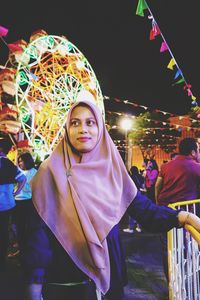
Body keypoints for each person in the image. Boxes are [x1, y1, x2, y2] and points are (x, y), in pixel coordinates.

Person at [21, 93, 200, 300]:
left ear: (100, 129)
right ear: (67, 130)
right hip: (66, 282)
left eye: (90, 122)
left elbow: (144, 210)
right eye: (75, 123)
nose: (83, 129)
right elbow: (38, 234)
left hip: (110, 278)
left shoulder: (113, 171)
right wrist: (34, 286)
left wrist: (182, 217)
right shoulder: (49, 172)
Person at [155, 137, 200, 280]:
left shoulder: (166, 166)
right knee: (186, 249)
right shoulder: (196, 167)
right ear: (193, 152)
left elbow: (157, 186)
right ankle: (184, 280)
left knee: (167, 249)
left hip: (164, 213)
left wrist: (159, 204)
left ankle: (171, 282)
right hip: (185, 216)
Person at [0, 137, 26, 271]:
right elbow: (23, 179)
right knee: (4, 229)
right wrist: (15, 193)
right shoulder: (11, 165)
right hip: (8, 204)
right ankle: (2, 257)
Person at [14, 152, 37, 252]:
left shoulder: (34, 172)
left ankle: (23, 247)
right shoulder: (21, 172)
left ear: (27, 161)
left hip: (26, 202)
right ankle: (20, 244)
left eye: (21, 161)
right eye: (19, 161)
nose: (20, 163)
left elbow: (33, 188)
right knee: (18, 224)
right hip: (18, 201)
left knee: (24, 225)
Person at [123, 166, 144, 233]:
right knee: (139, 211)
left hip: (132, 195)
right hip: (140, 194)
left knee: (131, 212)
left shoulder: (131, 177)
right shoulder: (140, 177)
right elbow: (143, 185)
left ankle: (131, 228)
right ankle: (139, 227)